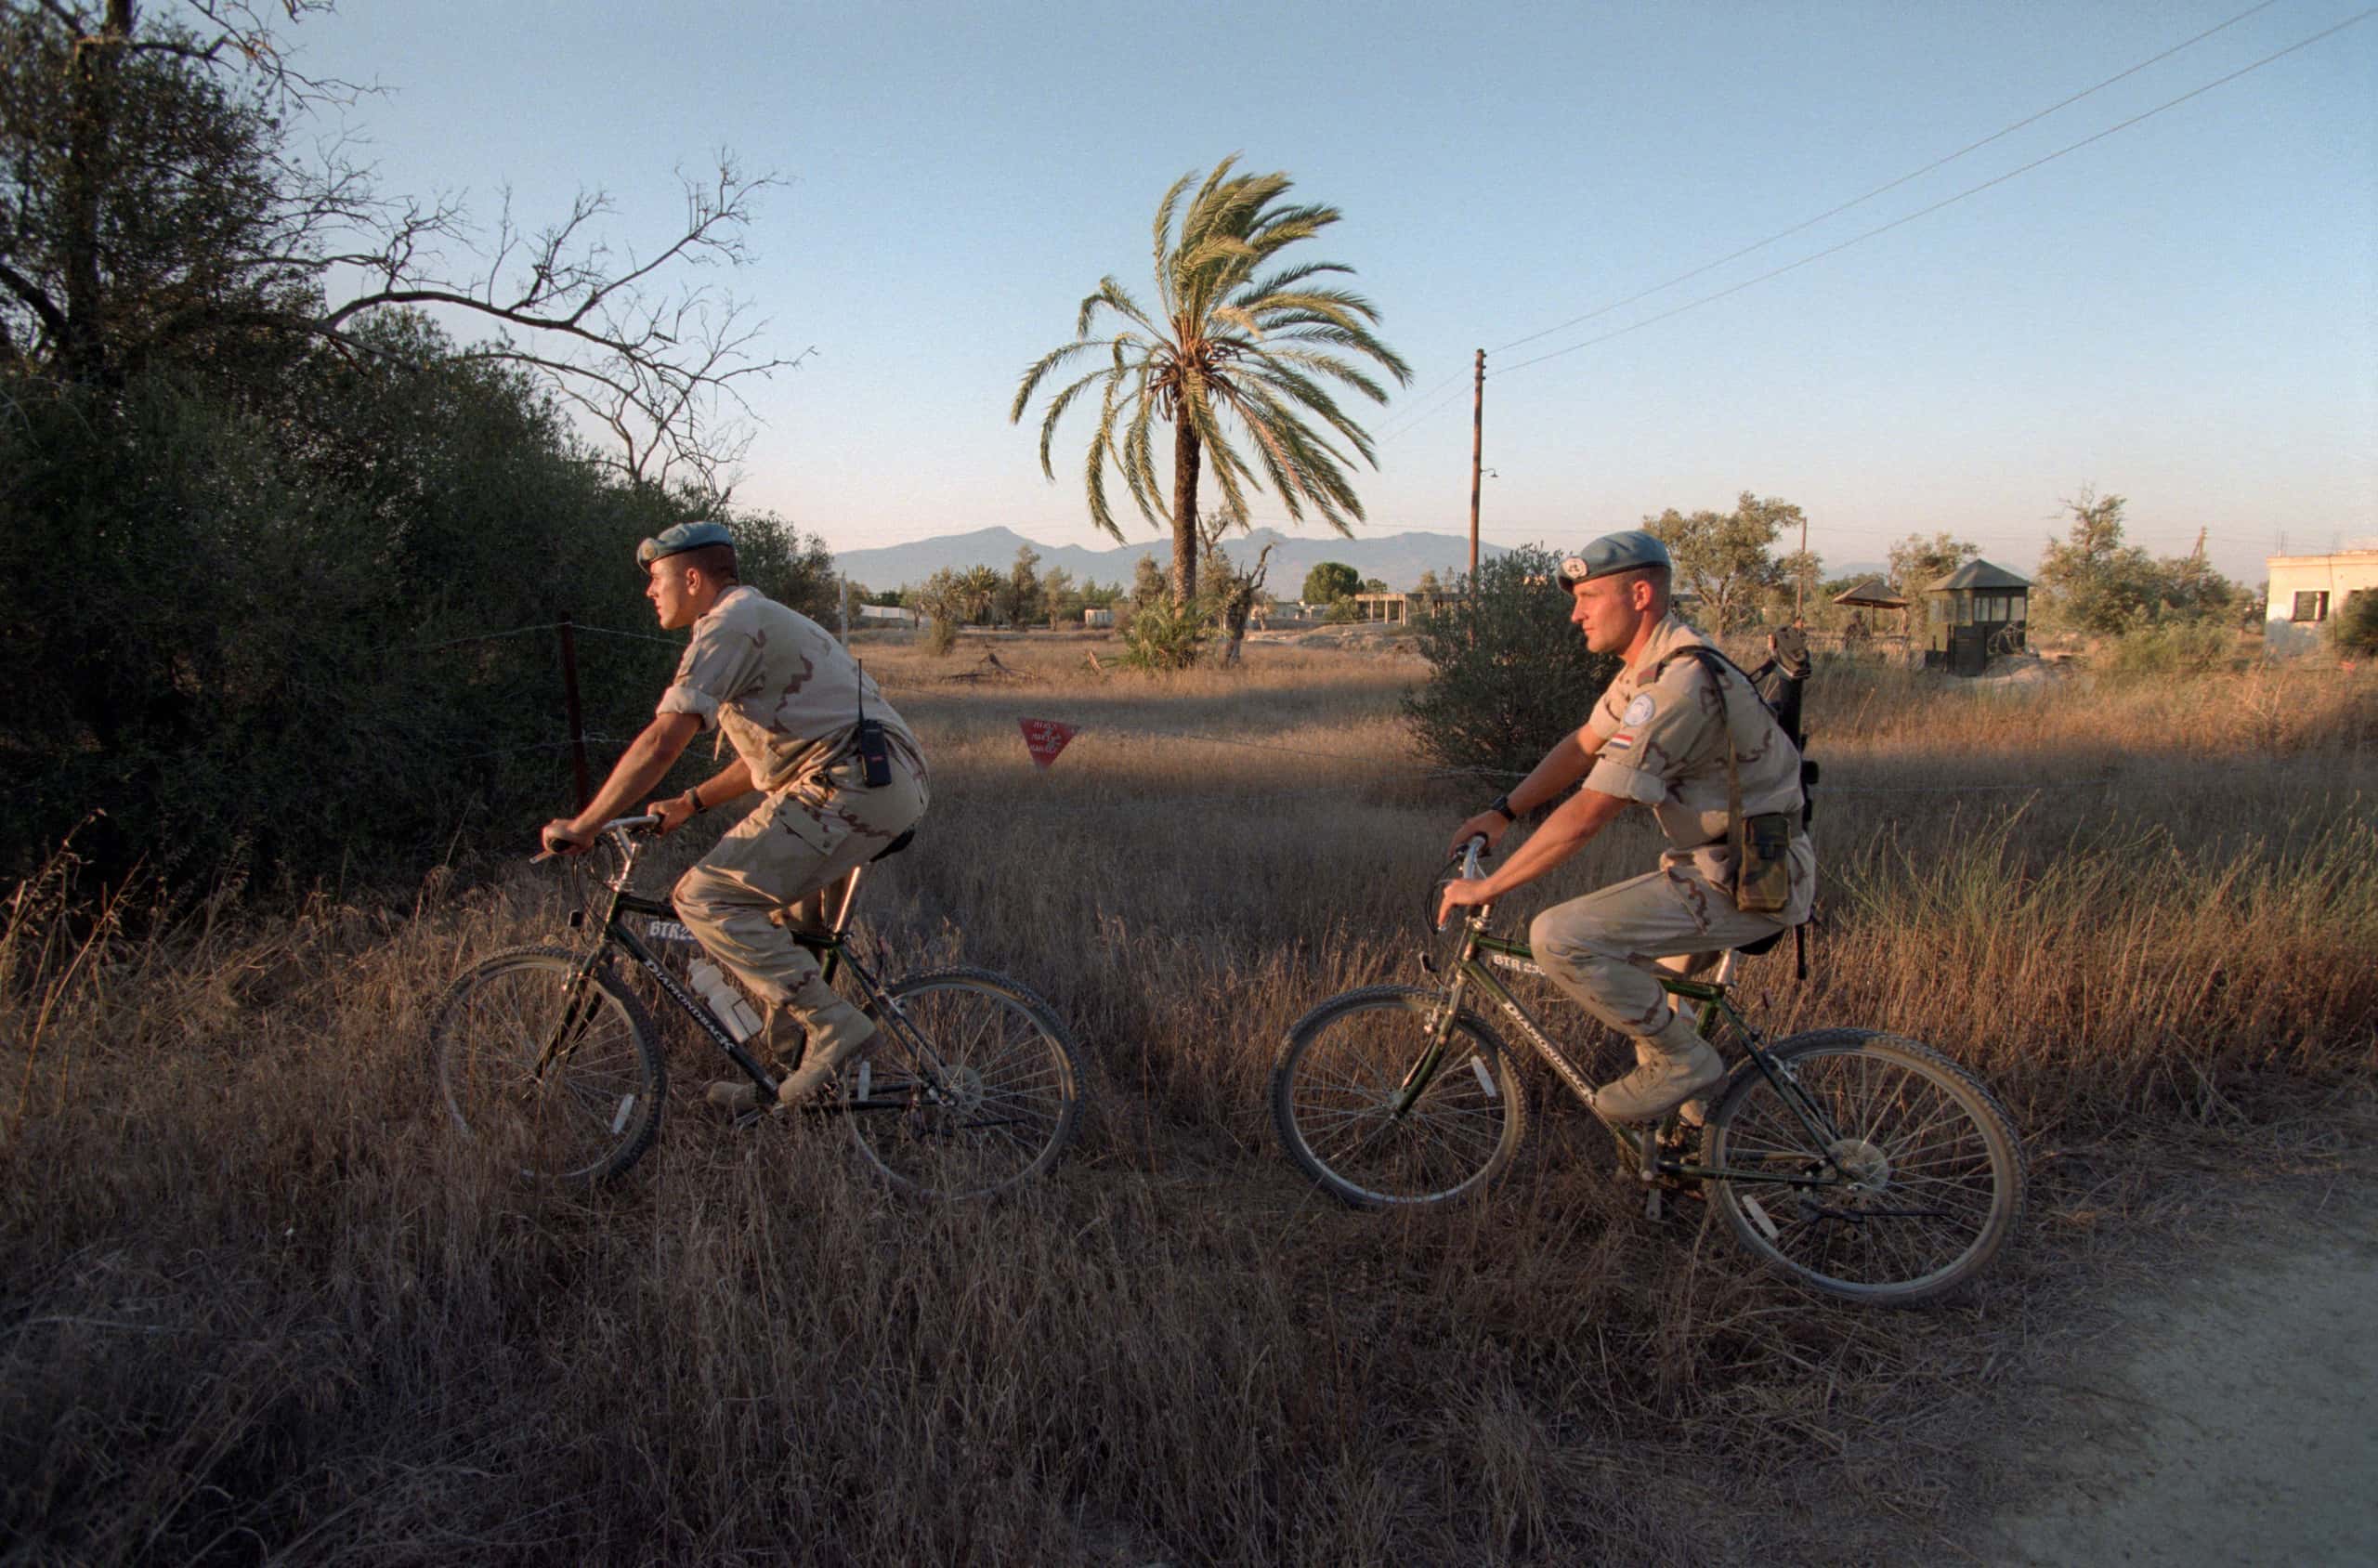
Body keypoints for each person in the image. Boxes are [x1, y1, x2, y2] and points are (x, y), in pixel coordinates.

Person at [540, 521, 929, 1114]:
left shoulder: (726, 624)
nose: (650, 591)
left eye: (656, 578)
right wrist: (689, 802)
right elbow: (766, 760)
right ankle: (777, 1084)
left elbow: (663, 741)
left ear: (692, 578)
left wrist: (588, 822)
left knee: (705, 896)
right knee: (786, 932)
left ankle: (834, 1024)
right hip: (877, 780)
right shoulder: (756, 619)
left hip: (849, 783)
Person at [1436, 530, 1815, 1123]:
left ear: (1640, 594)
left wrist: (1488, 888)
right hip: (1718, 866)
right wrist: (1503, 812)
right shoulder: (1653, 665)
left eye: (1589, 598)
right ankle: (1692, 1152)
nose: (1575, 614)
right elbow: (1584, 745)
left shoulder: (1675, 686)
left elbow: (1590, 812)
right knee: (1656, 1014)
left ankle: (1688, 1067)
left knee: (1560, 936)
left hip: (1748, 877)